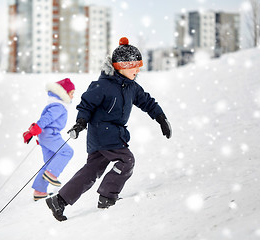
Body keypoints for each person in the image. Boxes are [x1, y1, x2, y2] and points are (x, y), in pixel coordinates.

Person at [45, 37, 172, 221]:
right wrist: (80, 123)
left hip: (107, 136)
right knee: (126, 161)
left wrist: (160, 118)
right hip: (104, 133)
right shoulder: (103, 85)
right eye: (134, 66)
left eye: (139, 66)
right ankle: (107, 196)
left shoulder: (132, 87)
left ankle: (60, 200)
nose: (137, 70)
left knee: (91, 171)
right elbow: (86, 105)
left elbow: (147, 101)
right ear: (121, 66)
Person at [23, 78, 75, 201]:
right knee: (67, 152)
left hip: (45, 135)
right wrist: (36, 128)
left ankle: (39, 191)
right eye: (71, 93)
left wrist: (34, 131)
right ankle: (52, 174)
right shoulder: (59, 106)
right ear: (64, 93)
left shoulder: (55, 104)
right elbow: (47, 118)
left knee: (50, 161)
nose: (73, 96)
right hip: (50, 135)